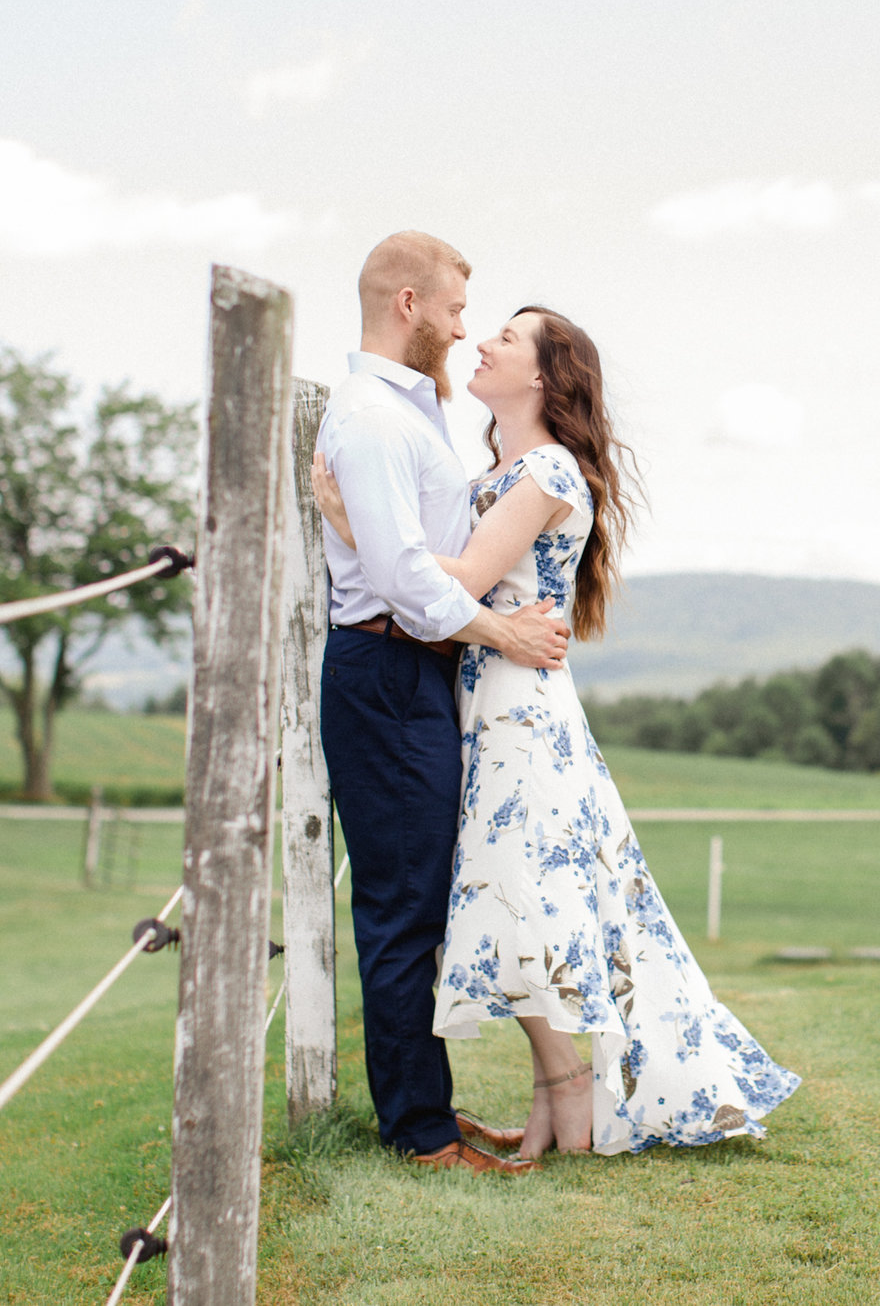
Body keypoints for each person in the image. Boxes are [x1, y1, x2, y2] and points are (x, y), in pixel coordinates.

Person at [316, 304, 800, 1159]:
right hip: (480, 688)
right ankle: (558, 1098)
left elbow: (459, 576)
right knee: (520, 898)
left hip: (514, 706)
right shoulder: (500, 468)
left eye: (506, 336)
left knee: (525, 896)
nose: (482, 341)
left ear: (541, 375)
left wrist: (352, 523)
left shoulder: (546, 470)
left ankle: (569, 1091)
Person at [315, 232, 573, 1176]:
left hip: (413, 669)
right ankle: (419, 1134)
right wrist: (507, 635)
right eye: (460, 310)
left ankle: (431, 1110)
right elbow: (402, 580)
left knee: (419, 898)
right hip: (385, 671)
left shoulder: (411, 416)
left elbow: (415, 558)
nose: (468, 329)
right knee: (400, 907)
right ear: (411, 304)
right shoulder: (374, 420)